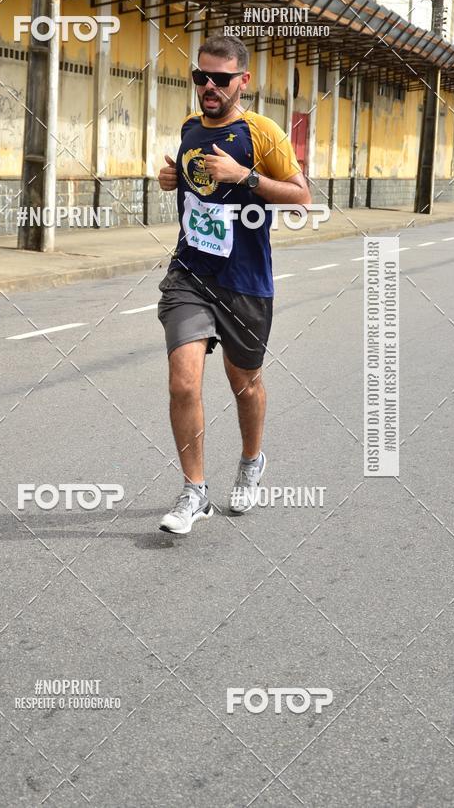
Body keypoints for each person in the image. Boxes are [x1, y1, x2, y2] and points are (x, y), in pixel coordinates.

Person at [156, 34, 310, 535]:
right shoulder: (188, 128)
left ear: (243, 81)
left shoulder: (262, 133)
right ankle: (194, 490)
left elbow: (301, 198)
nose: (208, 87)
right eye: (201, 76)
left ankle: (250, 461)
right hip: (190, 274)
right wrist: (173, 178)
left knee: (244, 384)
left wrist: (245, 177)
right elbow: (199, 185)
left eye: (220, 79)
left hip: (245, 283)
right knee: (184, 380)